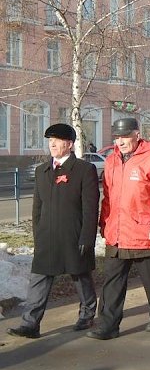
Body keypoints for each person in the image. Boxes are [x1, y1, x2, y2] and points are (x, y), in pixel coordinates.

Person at [7, 124, 99, 339]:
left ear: (69, 144)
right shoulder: (42, 171)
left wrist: (87, 237)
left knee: (80, 275)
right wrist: (38, 234)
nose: (52, 145)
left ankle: (86, 315)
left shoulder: (84, 170)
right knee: (39, 278)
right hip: (47, 236)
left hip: (73, 234)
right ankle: (30, 324)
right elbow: (37, 207)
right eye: (50, 141)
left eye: (56, 141)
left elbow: (90, 207)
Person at [87, 118, 150, 340]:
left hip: (144, 232)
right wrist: (104, 223)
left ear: (136, 135)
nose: (120, 141)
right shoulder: (112, 160)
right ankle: (108, 325)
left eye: (124, 137)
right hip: (117, 232)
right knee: (112, 282)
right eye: (116, 137)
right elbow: (108, 197)